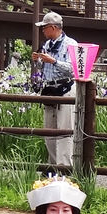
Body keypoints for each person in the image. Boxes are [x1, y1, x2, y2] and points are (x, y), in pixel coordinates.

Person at [31, 12, 78, 169]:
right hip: (49, 88)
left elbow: (74, 70)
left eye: (44, 28)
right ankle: (52, 165)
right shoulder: (47, 45)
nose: (43, 31)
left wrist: (54, 61)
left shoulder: (71, 44)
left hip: (65, 88)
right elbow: (44, 68)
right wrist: (38, 60)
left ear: (53, 27)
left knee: (64, 130)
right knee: (49, 130)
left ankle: (64, 167)